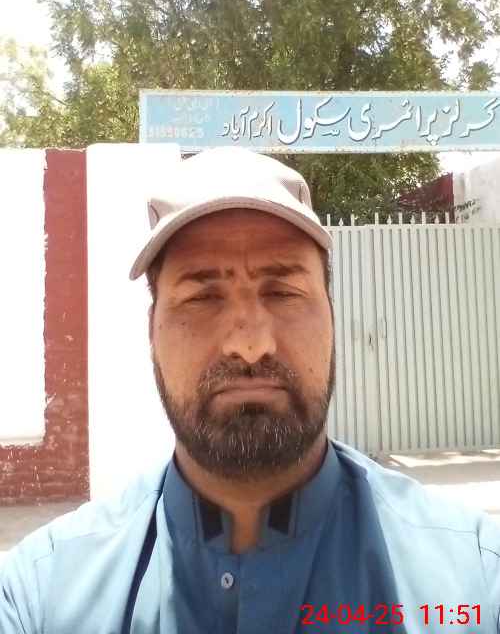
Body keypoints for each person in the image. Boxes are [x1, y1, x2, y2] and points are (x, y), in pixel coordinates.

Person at [1, 146, 499, 634]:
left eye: (282, 292)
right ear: (152, 331)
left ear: (331, 317)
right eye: (202, 296)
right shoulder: (39, 597)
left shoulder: (476, 579)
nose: (250, 344)